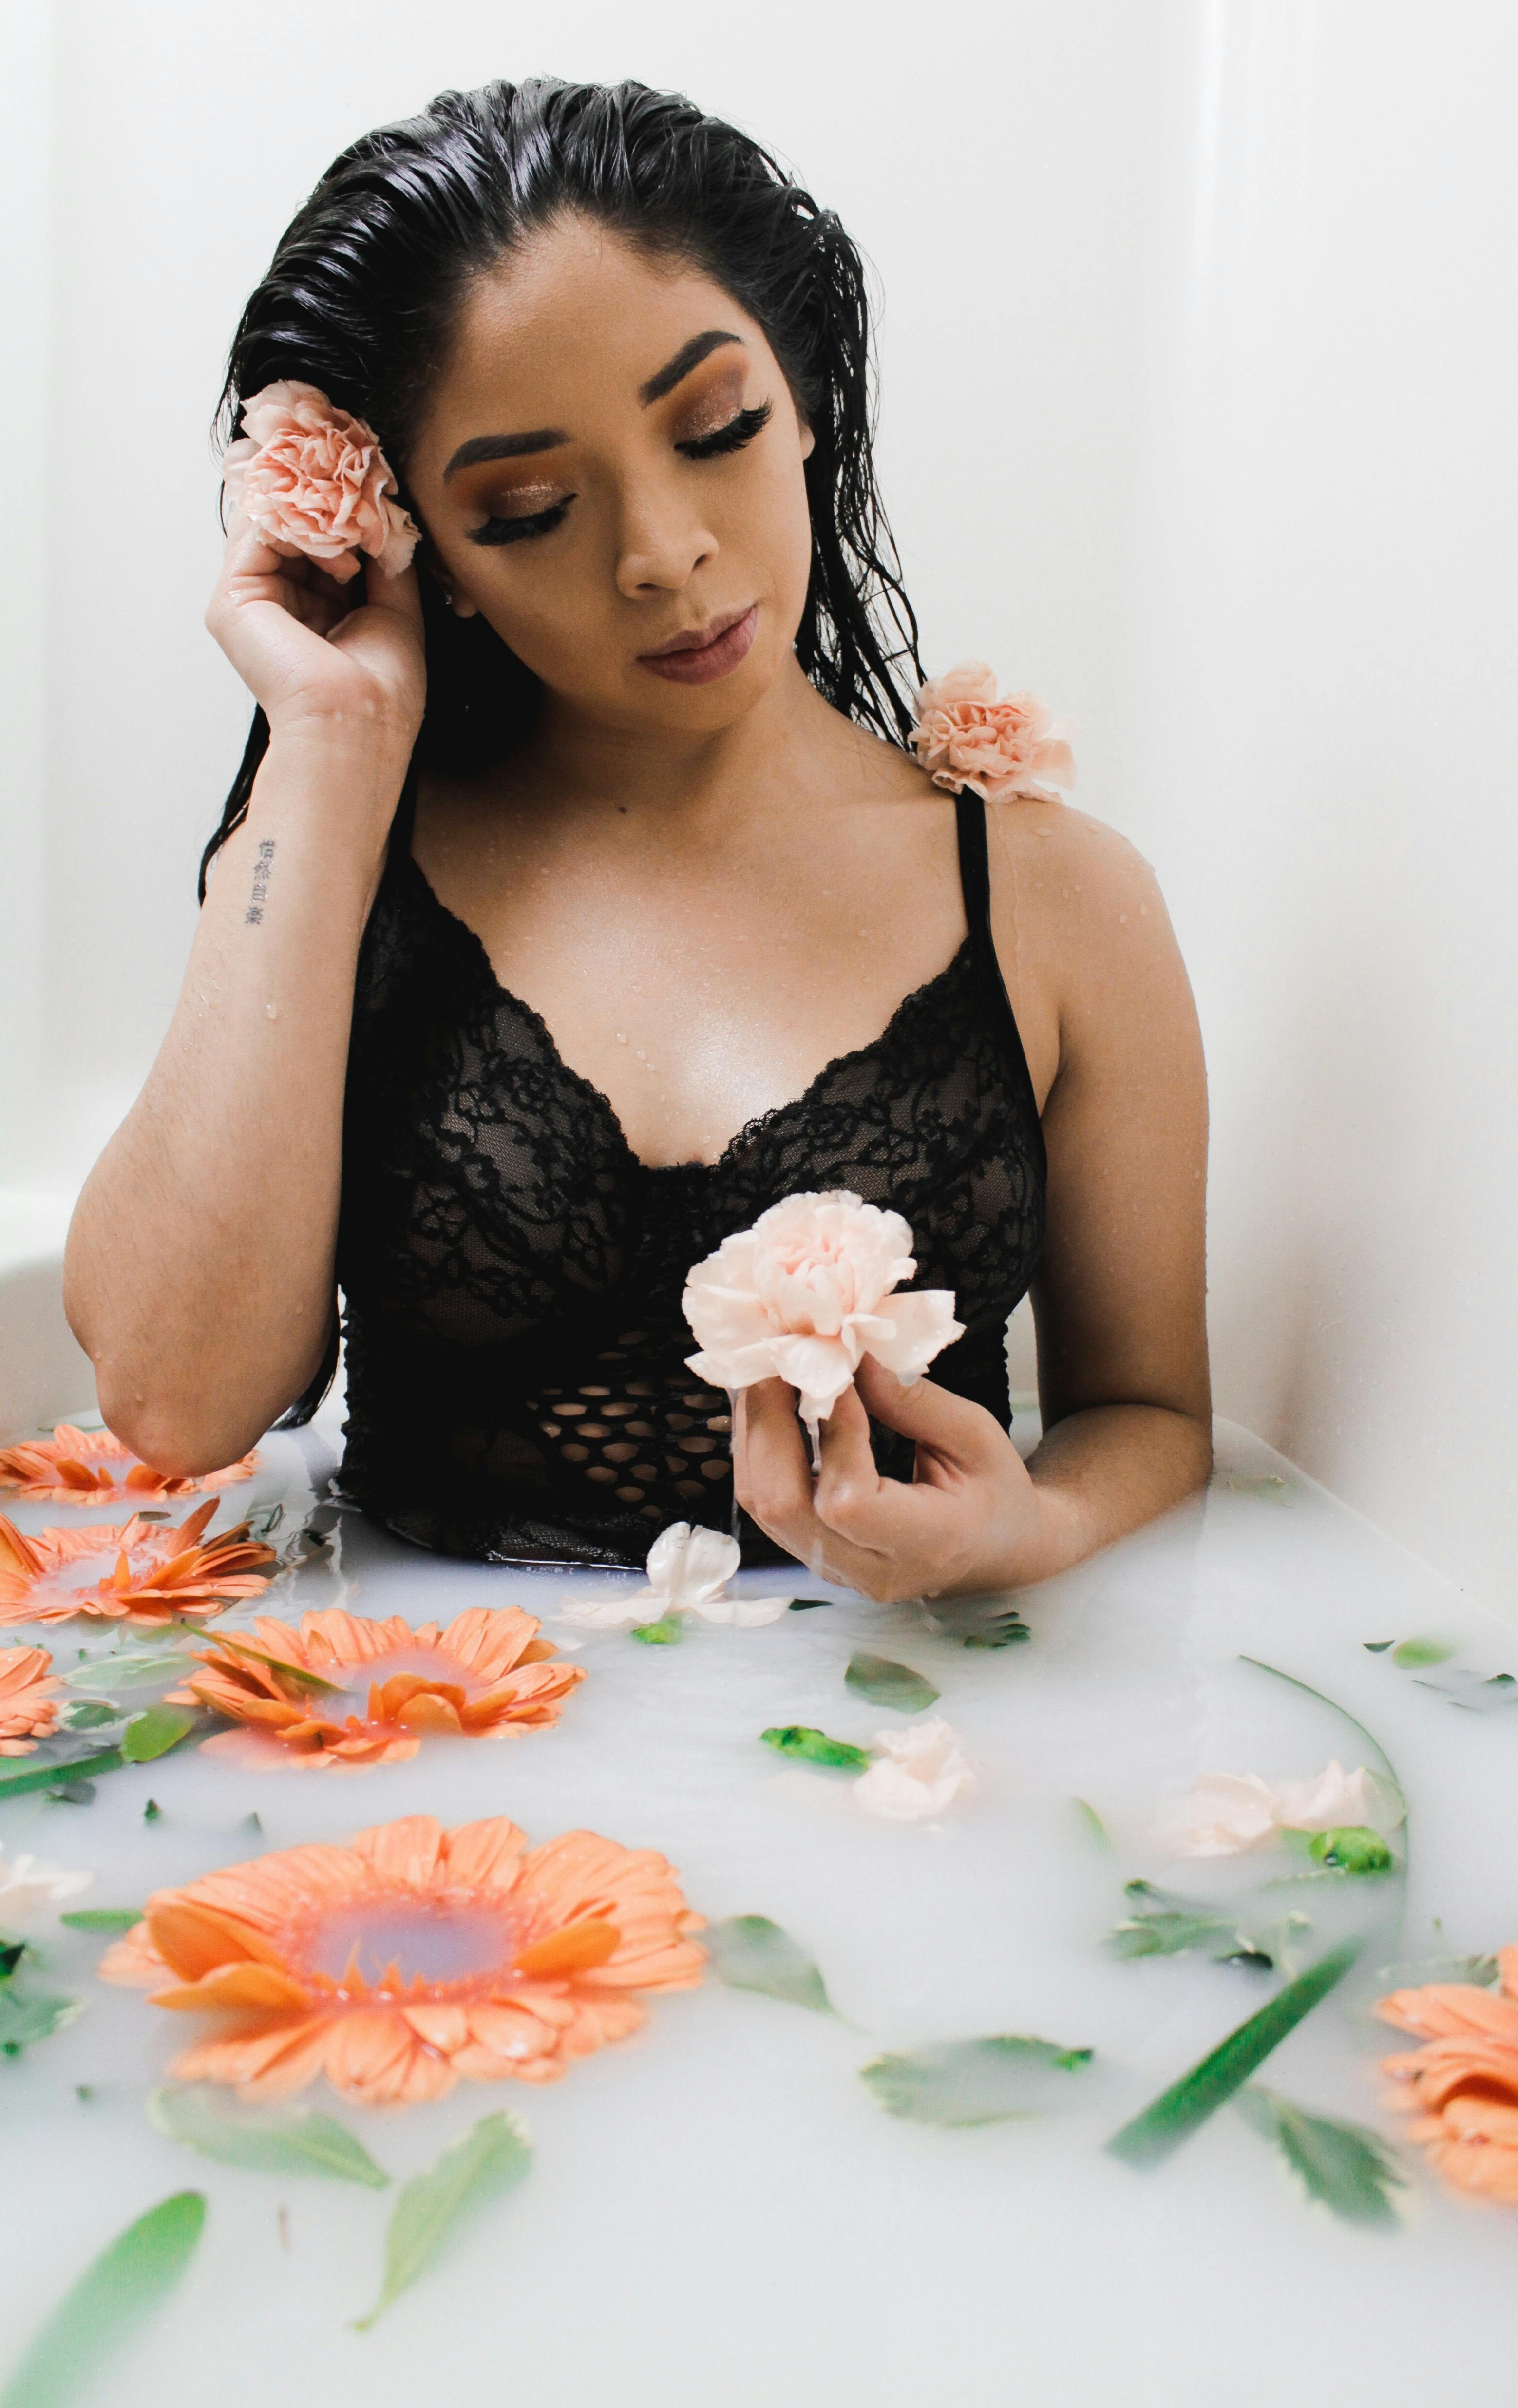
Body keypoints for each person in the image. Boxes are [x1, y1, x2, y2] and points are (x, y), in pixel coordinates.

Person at [64, 78, 1211, 1599]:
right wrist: (332, 753)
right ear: (435, 557)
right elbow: (172, 1400)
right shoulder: (344, 862)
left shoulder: (1058, 900)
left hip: (908, 1748)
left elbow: (1152, 1415)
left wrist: (1036, 1531)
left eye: (717, 426)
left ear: (804, 401)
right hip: (419, 1744)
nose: (662, 553)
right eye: (532, 507)